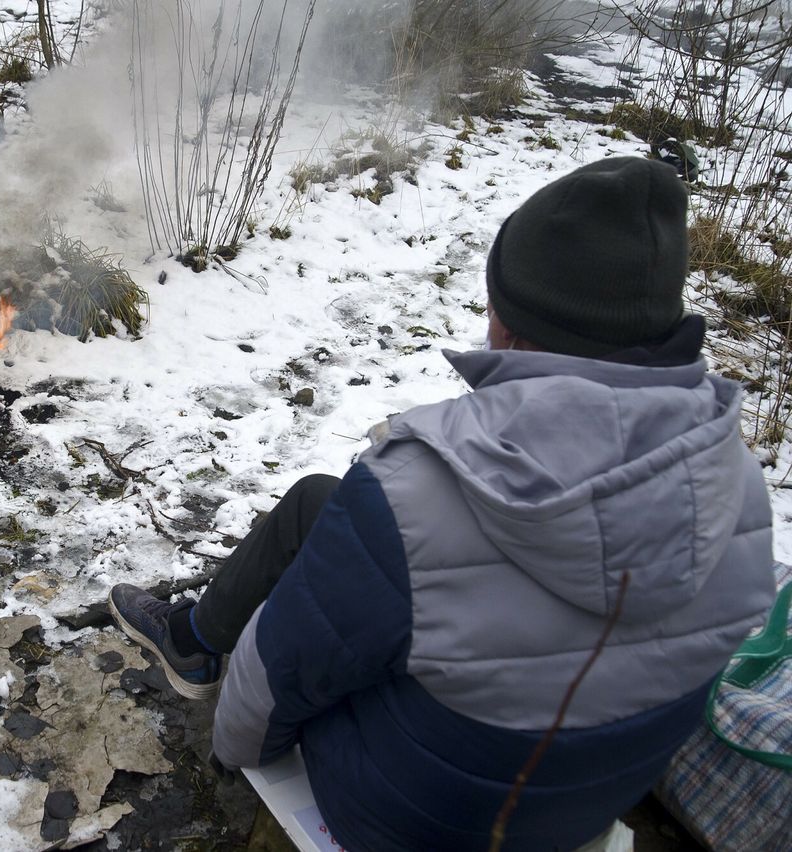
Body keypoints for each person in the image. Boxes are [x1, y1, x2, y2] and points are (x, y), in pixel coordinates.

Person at [107, 156, 777, 851]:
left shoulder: (416, 493)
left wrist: (230, 754)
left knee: (339, 602)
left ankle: (192, 646)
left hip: (414, 819)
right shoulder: (736, 480)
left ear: (511, 328)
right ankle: (194, 635)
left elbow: (269, 689)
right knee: (322, 506)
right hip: (581, 807)